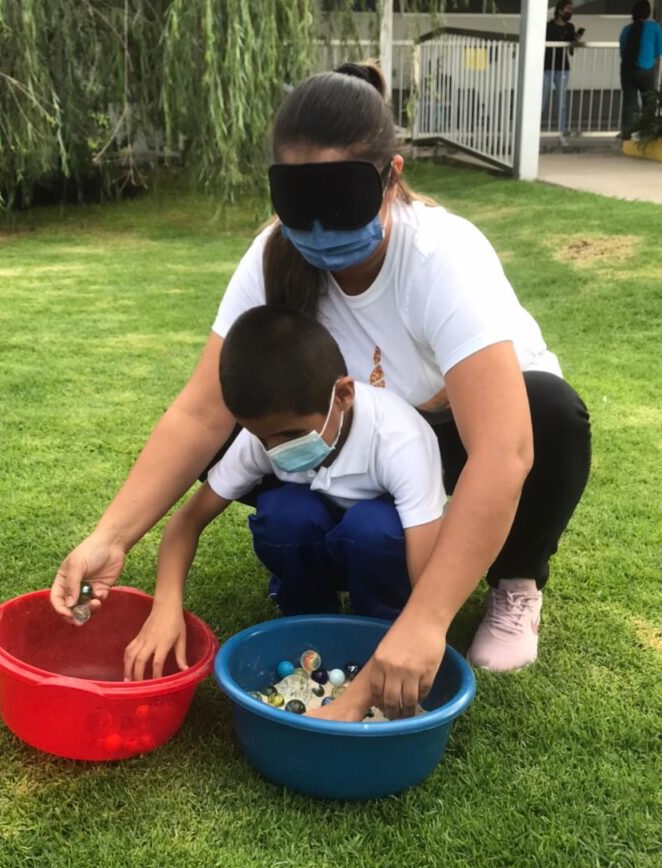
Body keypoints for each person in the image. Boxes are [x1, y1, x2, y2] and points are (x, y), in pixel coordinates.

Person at [51, 61, 591, 721]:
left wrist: (426, 623)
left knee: (549, 413)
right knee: (257, 403)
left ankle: (516, 580)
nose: (319, 231)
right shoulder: (275, 256)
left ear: (391, 177)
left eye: (340, 203)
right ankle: (323, 552)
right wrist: (113, 535)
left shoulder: (442, 259)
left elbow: (504, 452)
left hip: (450, 430)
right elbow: (201, 409)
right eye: (299, 207)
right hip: (351, 427)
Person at [122, 305, 446, 708]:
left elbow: (428, 571)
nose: (277, 451)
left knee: (372, 527)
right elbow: (186, 524)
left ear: (343, 395)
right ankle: (306, 614)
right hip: (321, 539)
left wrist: (416, 635)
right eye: (264, 439)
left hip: (382, 550)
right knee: (284, 516)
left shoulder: (400, 439)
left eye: (292, 434)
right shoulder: (265, 438)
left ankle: (379, 623)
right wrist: (165, 607)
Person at [619, 0, 662, 140]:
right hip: (646, 69)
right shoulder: (654, 27)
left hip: (627, 70)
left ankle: (626, 135)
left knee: (629, 104)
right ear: (648, 12)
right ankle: (646, 134)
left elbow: (623, 51)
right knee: (648, 104)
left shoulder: (626, 29)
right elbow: (658, 50)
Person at [542, 1, 584, 143]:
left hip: (562, 67)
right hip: (547, 67)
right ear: (560, 11)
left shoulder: (570, 27)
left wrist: (575, 40)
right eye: (568, 9)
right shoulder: (548, 26)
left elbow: (570, 49)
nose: (570, 12)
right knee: (542, 100)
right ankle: (534, 132)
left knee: (562, 103)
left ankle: (561, 134)